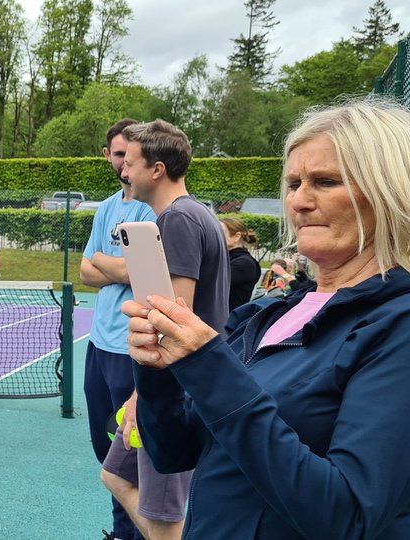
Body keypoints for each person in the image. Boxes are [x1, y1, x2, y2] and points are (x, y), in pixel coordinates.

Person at [122, 99, 410, 538]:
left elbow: (346, 516)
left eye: (325, 181)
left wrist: (209, 365)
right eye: (294, 182)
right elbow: (173, 453)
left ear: (389, 192)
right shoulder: (271, 311)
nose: (298, 201)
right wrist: (157, 372)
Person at [100, 119, 229, 540]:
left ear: (157, 169)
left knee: (164, 519)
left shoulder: (178, 220)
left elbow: (175, 323)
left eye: (131, 163)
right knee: (115, 476)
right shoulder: (193, 216)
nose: (124, 171)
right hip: (180, 386)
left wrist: (142, 395)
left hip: (176, 392)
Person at [79, 118, 154, 540]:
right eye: (118, 154)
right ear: (108, 156)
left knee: (132, 452)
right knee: (103, 446)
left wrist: (108, 265)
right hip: (99, 345)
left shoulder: (151, 207)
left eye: (131, 155)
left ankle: (130, 534)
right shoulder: (107, 207)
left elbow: (142, 272)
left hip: (132, 349)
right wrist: (118, 267)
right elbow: (86, 271)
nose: (124, 163)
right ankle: (122, 529)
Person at [220, 217, 261, 311]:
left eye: (220, 232)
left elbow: (213, 286)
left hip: (228, 321)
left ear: (236, 236)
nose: (215, 235)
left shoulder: (244, 263)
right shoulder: (226, 258)